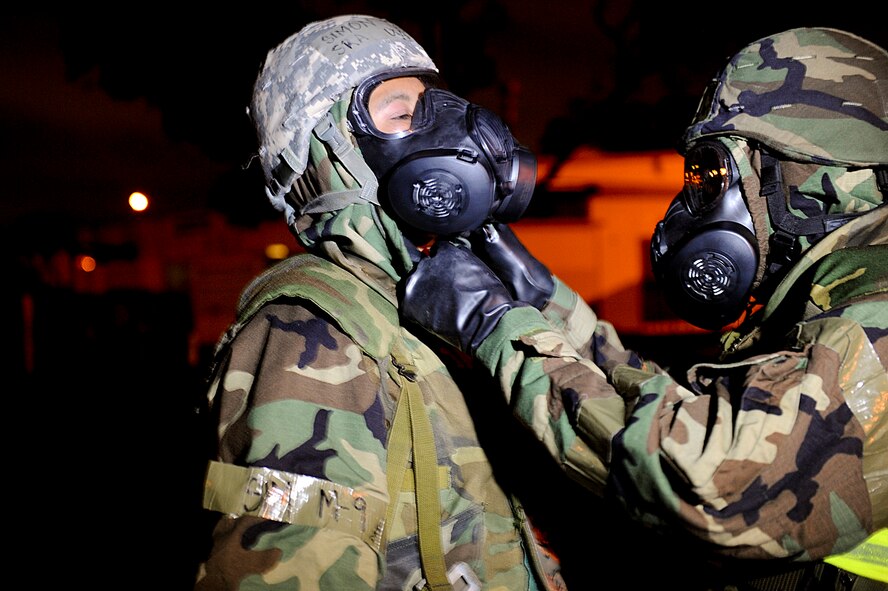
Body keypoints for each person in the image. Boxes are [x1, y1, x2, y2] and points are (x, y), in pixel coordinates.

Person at [398, 27, 888, 590]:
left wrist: (497, 328)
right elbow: (693, 415)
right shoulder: (837, 301)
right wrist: (550, 306)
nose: (692, 205)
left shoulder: (875, 322)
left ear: (811, 176)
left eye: (712, 174)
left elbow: (711, 480)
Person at [193, 13, 585, 591]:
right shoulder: (312, 332)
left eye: (437, 109)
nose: (445, 136)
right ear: (329, 155)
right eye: (403, 115)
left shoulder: (430, 306)